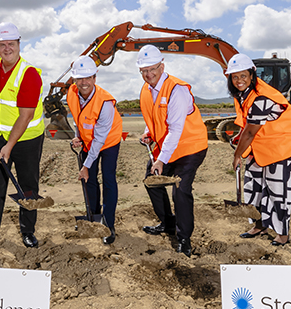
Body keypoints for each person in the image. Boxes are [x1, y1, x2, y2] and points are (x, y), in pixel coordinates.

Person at [0, 22, 45, 249]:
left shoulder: (29, 74)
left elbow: (25, 116)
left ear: (18, 44)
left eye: (11, 44)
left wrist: (9, 146)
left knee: (28, 187)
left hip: (27, 140)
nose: (7, 49)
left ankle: (28, 232)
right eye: (2, 44)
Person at [226, 53, 291, 246]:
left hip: (282, 147)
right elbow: (247, 125)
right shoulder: (244, 94)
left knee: (279, 191)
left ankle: (282, 234)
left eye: (243, 76)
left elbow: (250, 132)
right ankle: (260, 224)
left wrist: (238, 155)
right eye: (234, 77)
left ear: (252, 74)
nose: (239, 80)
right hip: (261, 147)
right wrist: (239, 137)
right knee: (254, 188)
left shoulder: (262, 97)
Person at [137, 45, 208, 256]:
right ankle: (167, 223)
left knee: (180, 190)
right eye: (144, 71)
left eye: (152, 69)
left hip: (189, 148)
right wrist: (148, 131)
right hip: (166, 148)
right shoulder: (146, 89)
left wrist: (160, 160)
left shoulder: (177, 89)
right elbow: (154, 116)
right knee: (152, 182)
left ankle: (184, 238)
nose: (148, 74)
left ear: (162, 66)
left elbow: (176, 128)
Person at [67, 56, 123, 245]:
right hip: (88, 142)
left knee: (108, 179)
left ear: (94, 77)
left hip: (108, 142)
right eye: (79, 78)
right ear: (74, 80)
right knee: (89, 179)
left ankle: (108, 224)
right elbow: (78, 117)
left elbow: (99, 140)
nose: (83, 83)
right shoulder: (72, 93)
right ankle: (93, 217)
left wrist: (85, 165)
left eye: (87, 77)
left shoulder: (105, 103)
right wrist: (78, 136)